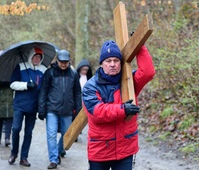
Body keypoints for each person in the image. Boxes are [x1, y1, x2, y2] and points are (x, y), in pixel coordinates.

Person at [82, 40, 155, 170]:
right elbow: (97, 113)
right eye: (108, 61)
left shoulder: (129, 82)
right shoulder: (90, 86)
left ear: (121, 63)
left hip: (125, 150)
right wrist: (123, 109)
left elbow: (147, 73)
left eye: (116, 60)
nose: (112, 64)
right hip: (100, 151)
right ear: (101, 64)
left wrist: (139, 47)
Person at [38, 49, 82, 169]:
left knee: (67, 134)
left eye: (66, 62)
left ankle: (58, 152)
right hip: (52, 109)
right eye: (61, 61)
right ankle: (53, 159)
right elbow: (43, 91)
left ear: (69, 62)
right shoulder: (50, 73)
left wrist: (78, 110)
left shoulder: (73, 74)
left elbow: (78, 93)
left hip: (67, 110)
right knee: (51, 135)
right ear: (57, 60)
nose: (63, 64)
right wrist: (41, 108)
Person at [8, 47, 47, 167]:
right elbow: (12, 84)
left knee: (28, 132)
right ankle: (14, 153)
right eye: (35, 56)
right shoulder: (21, 66)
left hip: (33, 106)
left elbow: (45, 89)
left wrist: (42, 108)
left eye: (39, 57)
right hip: (20, 104)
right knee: (16, 129)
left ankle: (24, 157)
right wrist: (26, 85)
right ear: (31, 56)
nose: (37, 59)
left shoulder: (43, 70)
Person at [0, 79, 13, 146]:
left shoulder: (12, 73)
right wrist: (1, 82)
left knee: (9, 119)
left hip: (10, 99)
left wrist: (10, 82)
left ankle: (7, 138)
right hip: (0, 100)